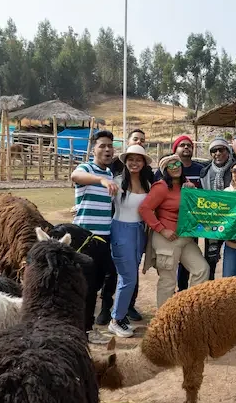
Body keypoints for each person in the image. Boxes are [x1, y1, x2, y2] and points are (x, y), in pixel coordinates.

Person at [139, 154, 210, 307]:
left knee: (201, 269)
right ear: (165, 170)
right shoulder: (161, 186)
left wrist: (193, 192)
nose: (175, 167)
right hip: (167, 239)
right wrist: (162, 229)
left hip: (185, 238)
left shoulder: (187, 184)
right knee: (168, 281)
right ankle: (164, 318)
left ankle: (190, 309)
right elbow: (144, 209)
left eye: (177, 163)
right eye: (170, 166)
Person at [69, 130, 117, 335]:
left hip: (104, 236)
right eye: (102, 146)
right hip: (84, 237)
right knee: (84, 284)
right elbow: (75, 176)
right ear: (93, 149)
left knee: (99, 281)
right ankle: (83, 330)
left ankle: (87, 327)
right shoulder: (86, 168)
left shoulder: (111, 174)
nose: (107, 149)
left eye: (110, 146)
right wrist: (100, 181)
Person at [108, 144, 152, 338]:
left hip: (140, 232)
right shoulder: (116, 183)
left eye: (139, 159)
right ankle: (115, 319)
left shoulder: (148, 184)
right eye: (131, 159)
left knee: (131, 276)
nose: (135, 163)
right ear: (125, 162)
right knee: (128, 278)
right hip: (121, 230)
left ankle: (121, 316)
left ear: (143, 163)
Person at [157, 134, 205, 292]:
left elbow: (205, 196)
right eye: (182, 145)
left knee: (196, 267)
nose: (186, 147)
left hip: (190, 228)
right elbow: (148, 206)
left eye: (189, 145)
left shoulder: (200, 169)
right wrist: (160, 228)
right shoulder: (162, 180)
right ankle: (167, 312)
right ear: (175, 150)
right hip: (168, 231)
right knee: (168, 274)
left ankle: (185, 296)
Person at [198, 137, 233, 281]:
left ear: (228, 151)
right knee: (210, 259)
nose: (218, 153)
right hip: (212, 222)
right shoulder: (204, 172)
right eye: (214, 150)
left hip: (232, 221)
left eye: (221, 149)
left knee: (232, 261)